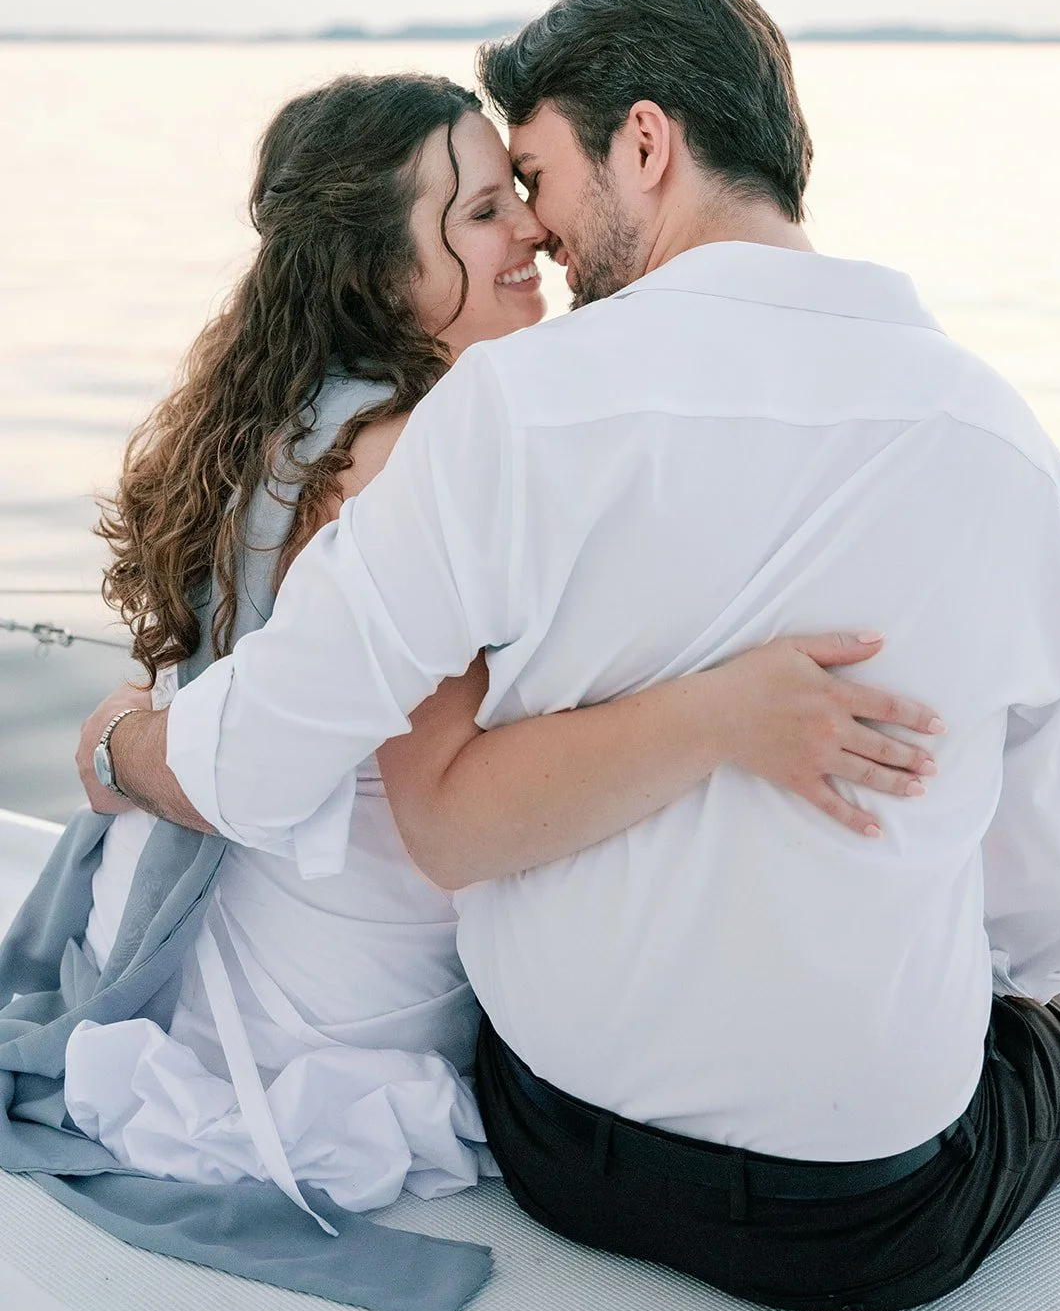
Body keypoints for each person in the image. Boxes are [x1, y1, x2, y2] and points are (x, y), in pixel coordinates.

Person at [86, 0, 1060, 1311]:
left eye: (535, 176)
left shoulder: (509, 410)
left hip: (556, 1149)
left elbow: (266, 763)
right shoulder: (1009, 450)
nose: (537, 231)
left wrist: (121, 743)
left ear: (644, 144)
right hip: (864, 1225)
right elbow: (1048, 912)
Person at [64, 72, 938, 1227]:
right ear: (382, 269)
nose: (530, 226)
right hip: (345, 1013)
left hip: (235, 944)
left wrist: (120, 741)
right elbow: (435, 800)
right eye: (482, 211)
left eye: (517, 192)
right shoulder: (409, 452)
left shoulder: (304, 415)